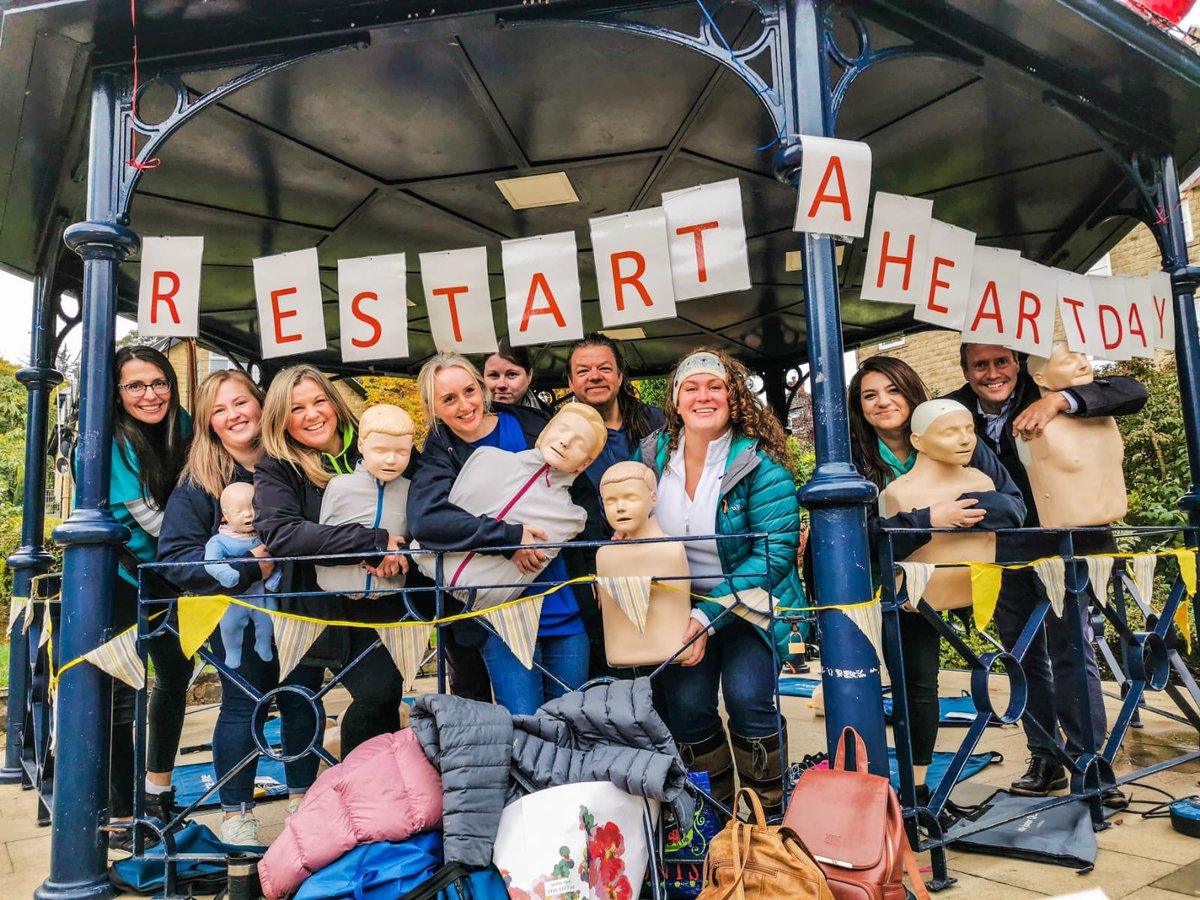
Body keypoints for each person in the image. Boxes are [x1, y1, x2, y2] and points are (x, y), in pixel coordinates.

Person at [946, 344, 1146, 805]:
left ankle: (1089, 763)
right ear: (966, 371)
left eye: (1002, 362)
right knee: (1021, 655)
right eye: (981, 365)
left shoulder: (1049, 387)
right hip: (1003, 550)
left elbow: (1132, 391)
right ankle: (1045, 758)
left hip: (1067, 546)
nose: (993, 373)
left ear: (1017, 362)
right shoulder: (954, 409)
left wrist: (1057, 400)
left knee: (1073, 647)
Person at [848, 357, 1024, 811]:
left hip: (967, 580)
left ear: (913, 392)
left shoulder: (962, 442)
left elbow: (1013, 507)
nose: (883, 402)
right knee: (910, 682)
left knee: (1015, 662)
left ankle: (1047, 761)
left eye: (893, 390)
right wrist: (928, 519)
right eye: (870, 395)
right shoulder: (851, 458)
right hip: (895, 591)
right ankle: (906, 791)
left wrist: (956, 509)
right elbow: (859, 540)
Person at [637, 348, 805, 816]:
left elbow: (773, 553)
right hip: (679, 605)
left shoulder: (759, 463)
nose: (703, 395)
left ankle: (769, 816)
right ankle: (719, 815)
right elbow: (630, 522)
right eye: (691, 387)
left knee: (748, 696)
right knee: (688, 707)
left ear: (734, 399)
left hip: (751, 603)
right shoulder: (650, 456)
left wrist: (704, 617)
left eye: (715, 386)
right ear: (675, 400)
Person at [407, 353, 604, 715]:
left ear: (481, 388)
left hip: (561, 599)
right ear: (432, 408)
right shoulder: (440, 449)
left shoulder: (532, 425)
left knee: (572, 720)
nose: (465, 405)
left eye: (469, 391)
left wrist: (597, 565)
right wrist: (508, 537)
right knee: (524, 722)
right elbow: (426, 520)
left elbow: (586, 504)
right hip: (500, 614)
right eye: (449, 399)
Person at [253, 365, 409, 793]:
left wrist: (400, 548)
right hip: (312, 604)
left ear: (334, 402)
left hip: (383, 599)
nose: (312, 414)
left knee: (383, 693)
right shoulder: (278, 466)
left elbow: (415, 502)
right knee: (300, 703)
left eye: (319, 401)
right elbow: (282, 533)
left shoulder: (374, 441)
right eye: (296, 408)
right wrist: (371, 542)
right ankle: (307, 799)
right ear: (281, 419)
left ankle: (364, 788)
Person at [158, 369, 292, 845]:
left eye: (241, 403)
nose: (233, 415)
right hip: (240, 614)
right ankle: (237, 814)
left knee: (300, 702)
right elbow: (175, 560)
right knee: (245, 704)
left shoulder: (292, 458)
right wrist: (250, 568)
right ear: (207, 422)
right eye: (219, 409)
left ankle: (305, 802)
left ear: (261, 403)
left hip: (304, 609)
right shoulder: (199, 483)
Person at [99, 346, 195, 851]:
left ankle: (157, 791)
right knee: (120, 688)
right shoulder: (112, 437)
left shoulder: (181, 422)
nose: (150, 394)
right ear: (117, 393)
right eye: (135, 386)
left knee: (176, 674)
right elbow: (151, 520)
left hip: (171, 567)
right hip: (120, 571)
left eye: (158, 382)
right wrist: (199, 547)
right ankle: (119, 811)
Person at [567, 333, 665, 490]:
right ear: (571, 382)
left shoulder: (658, 424)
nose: (595, 376)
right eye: (583, 371)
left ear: (619, 377)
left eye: (604, 368)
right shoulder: (561, 439)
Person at [483, 339, 548, 411]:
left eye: (511, 374)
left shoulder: (551, 419)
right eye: (493, 375)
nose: (501, 385)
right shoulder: (470, 416)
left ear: (529, 375)